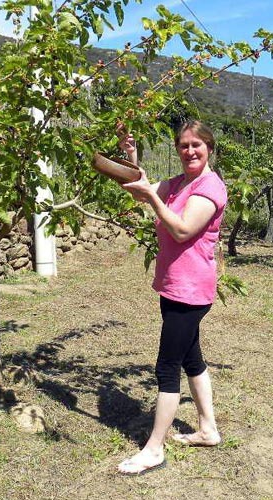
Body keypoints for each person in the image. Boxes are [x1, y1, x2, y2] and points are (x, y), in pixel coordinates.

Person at [115, 120, 227, 475]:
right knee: (191, 359)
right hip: (175, 285)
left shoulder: (210, 187)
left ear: (209, 148)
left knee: (167, 367)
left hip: (191, 292)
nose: (190, 151)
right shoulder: (179, 183)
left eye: (197, 144)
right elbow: (141, 189)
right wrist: (130, 155)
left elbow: (181, 230)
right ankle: (208, 430)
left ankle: (154, 448)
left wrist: (151, 198)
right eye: (183, 145)